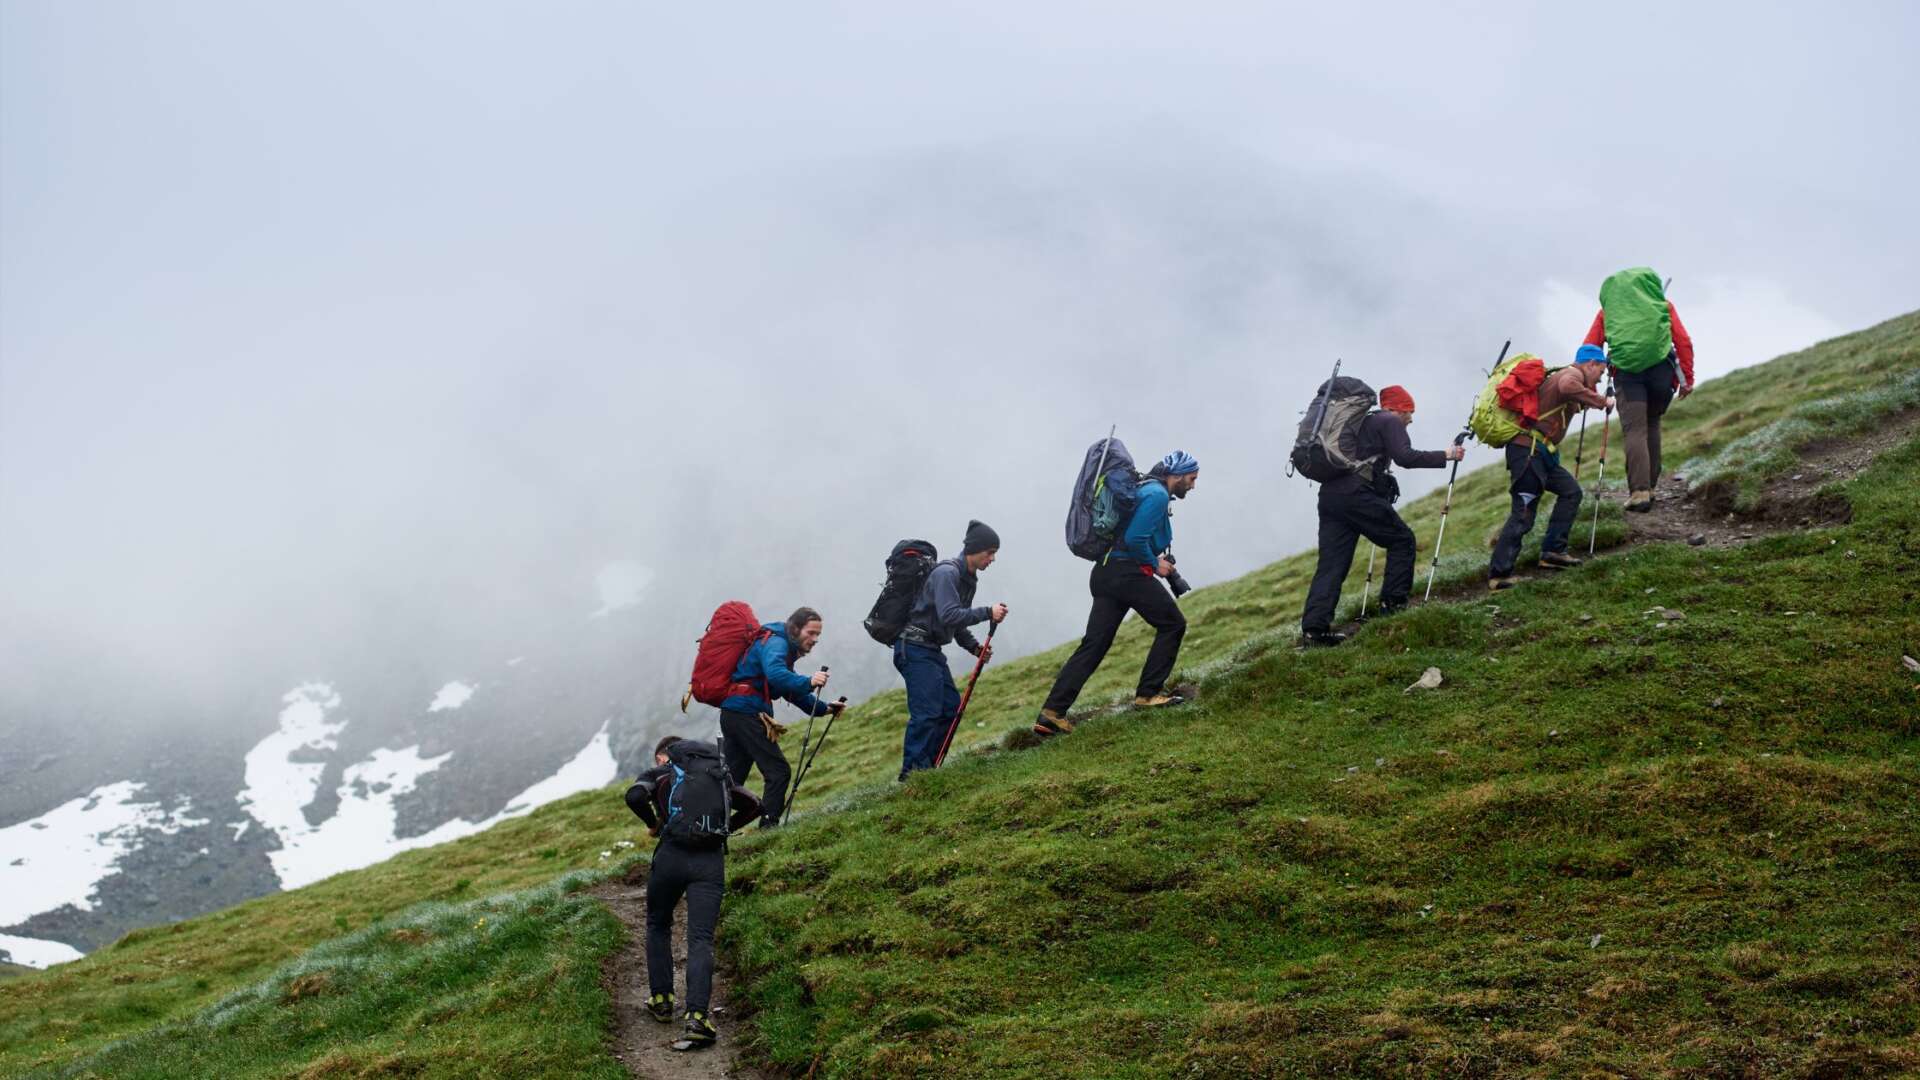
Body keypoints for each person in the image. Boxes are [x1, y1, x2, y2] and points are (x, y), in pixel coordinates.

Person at [1036, 451, 1199, 736]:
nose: (1193, 485)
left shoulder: (1145, 488)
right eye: (1192, 478)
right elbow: (1135, 539)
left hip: (1105, 572)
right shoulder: (1157, 495)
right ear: (1177, 475)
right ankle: (1148, 694)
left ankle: (1052, 712)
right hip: (1127, 573)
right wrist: (1155, 564)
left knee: (1094, 644)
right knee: (1173, 624)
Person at [625, 735, 763, 1050]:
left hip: (671, 856)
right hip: (710, 862)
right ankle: (697, 1018)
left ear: (664, 756)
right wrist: (724, 830)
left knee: (658, 924)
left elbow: (634, 796)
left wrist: (654, 823)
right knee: (700, 938)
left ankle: (662, 999)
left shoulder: (661, 773)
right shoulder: (717, 773)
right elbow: (754, 804)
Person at [1299, 386, 1462, 646]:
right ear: (1397, 408)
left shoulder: (1363, 421)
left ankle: (1313, 632)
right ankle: (1393, 606)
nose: (1410, 419)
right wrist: (1447, 455)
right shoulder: (1389, 420)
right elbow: (1405, 457)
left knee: (1332, 565)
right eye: (1409, 412)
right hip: (1356, 495)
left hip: (1330, 496)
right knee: (1402, 540)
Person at [1487, 347, 1614, 589]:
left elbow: (1565, 398)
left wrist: (1588, 400)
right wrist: (1601, 401)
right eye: (1600, 371)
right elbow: (1567, 387)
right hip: (1529, 452)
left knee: (1571, 492)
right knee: (1523, 513)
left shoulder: (1568, 377)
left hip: (1541, 453)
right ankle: (1499, 575)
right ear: (1590, 363)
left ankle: (1553, 552)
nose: (1600, 378)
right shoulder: (1572, 375)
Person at [895, 520, 1006, 779]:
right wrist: (987, 612)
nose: (992, 559)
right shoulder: (947, 573)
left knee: (950, 708)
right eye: (989, 552)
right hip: (914, 648)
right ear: (974, 549)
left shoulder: (967, 579)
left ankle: (928, 770)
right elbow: (950, 614)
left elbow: (953, 622)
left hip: (929, 649)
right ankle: (911, 777)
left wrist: (974, 647)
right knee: (927, 713)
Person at [716, 607, 841, 826]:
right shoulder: (777, 642)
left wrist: (825, 709)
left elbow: (789, 688)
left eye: (818, 634)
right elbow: (776, 675)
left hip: (734, 713)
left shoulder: (778, 643)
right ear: (795, 628)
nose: (815, 639)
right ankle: (768, 828)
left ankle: (711, 830)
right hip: (746, 713)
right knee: (778, 771)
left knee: (729, 781)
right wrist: (809, 681)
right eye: (811, 633)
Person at [1582, 272, 1695, 511]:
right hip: (1662, 374)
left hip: (1627, 375)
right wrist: (1687, 379)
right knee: (1652, 424)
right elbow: (1683, 341)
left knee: (1635, 430)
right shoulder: (1662, 305)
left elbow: (1590, 346)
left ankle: (1640, 492)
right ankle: (1651, 487)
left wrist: (1587, 385)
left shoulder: (1608, 312)